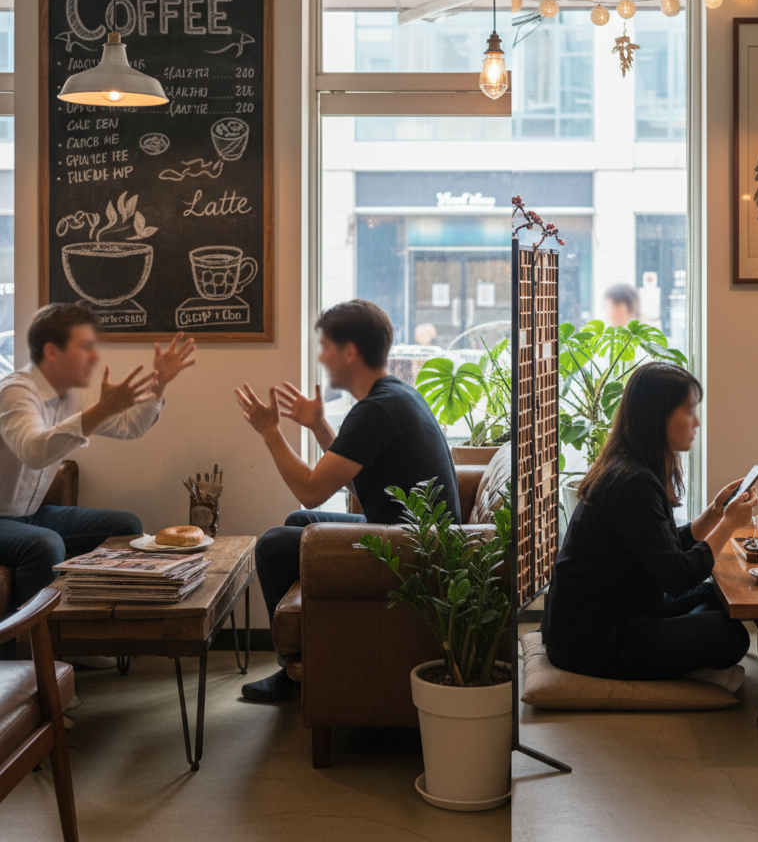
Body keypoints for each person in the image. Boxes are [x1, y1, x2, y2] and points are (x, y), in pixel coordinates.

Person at [235, 298, 460, 701]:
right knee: (297, 523)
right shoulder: (394, 397)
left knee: (271, 545)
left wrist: (270, 430)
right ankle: (305, 661)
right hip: (413, 538)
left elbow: (310, 490)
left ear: (350, 351)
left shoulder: (375, 410)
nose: (321, 356)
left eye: (326, 346)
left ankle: (294, 673)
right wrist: (320, 425)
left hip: (409, 552)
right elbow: (362, 482)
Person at [542, 362, 756, 687]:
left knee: (721, 596)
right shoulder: (631, 482)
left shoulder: (632, 468)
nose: (697, 421)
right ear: (659, 416)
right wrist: (728, 525)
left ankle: (677, 649)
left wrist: (714, 513)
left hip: (620, 615)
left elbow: (663, 547)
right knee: (729, 635)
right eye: (689, 410)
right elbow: (677, 576)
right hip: (595, 640)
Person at [0, 304, 196, 658]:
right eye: (85, 347)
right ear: (52, 352)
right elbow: (33, 450)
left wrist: (160, 380)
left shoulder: (71, 395)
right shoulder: (15, 392)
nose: (94, 356)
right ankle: (32, 668)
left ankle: (90, 642)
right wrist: (101, 409)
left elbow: (129, 426)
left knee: (125, 526)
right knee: (43, 545)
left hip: (29, 515)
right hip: (4, 520)